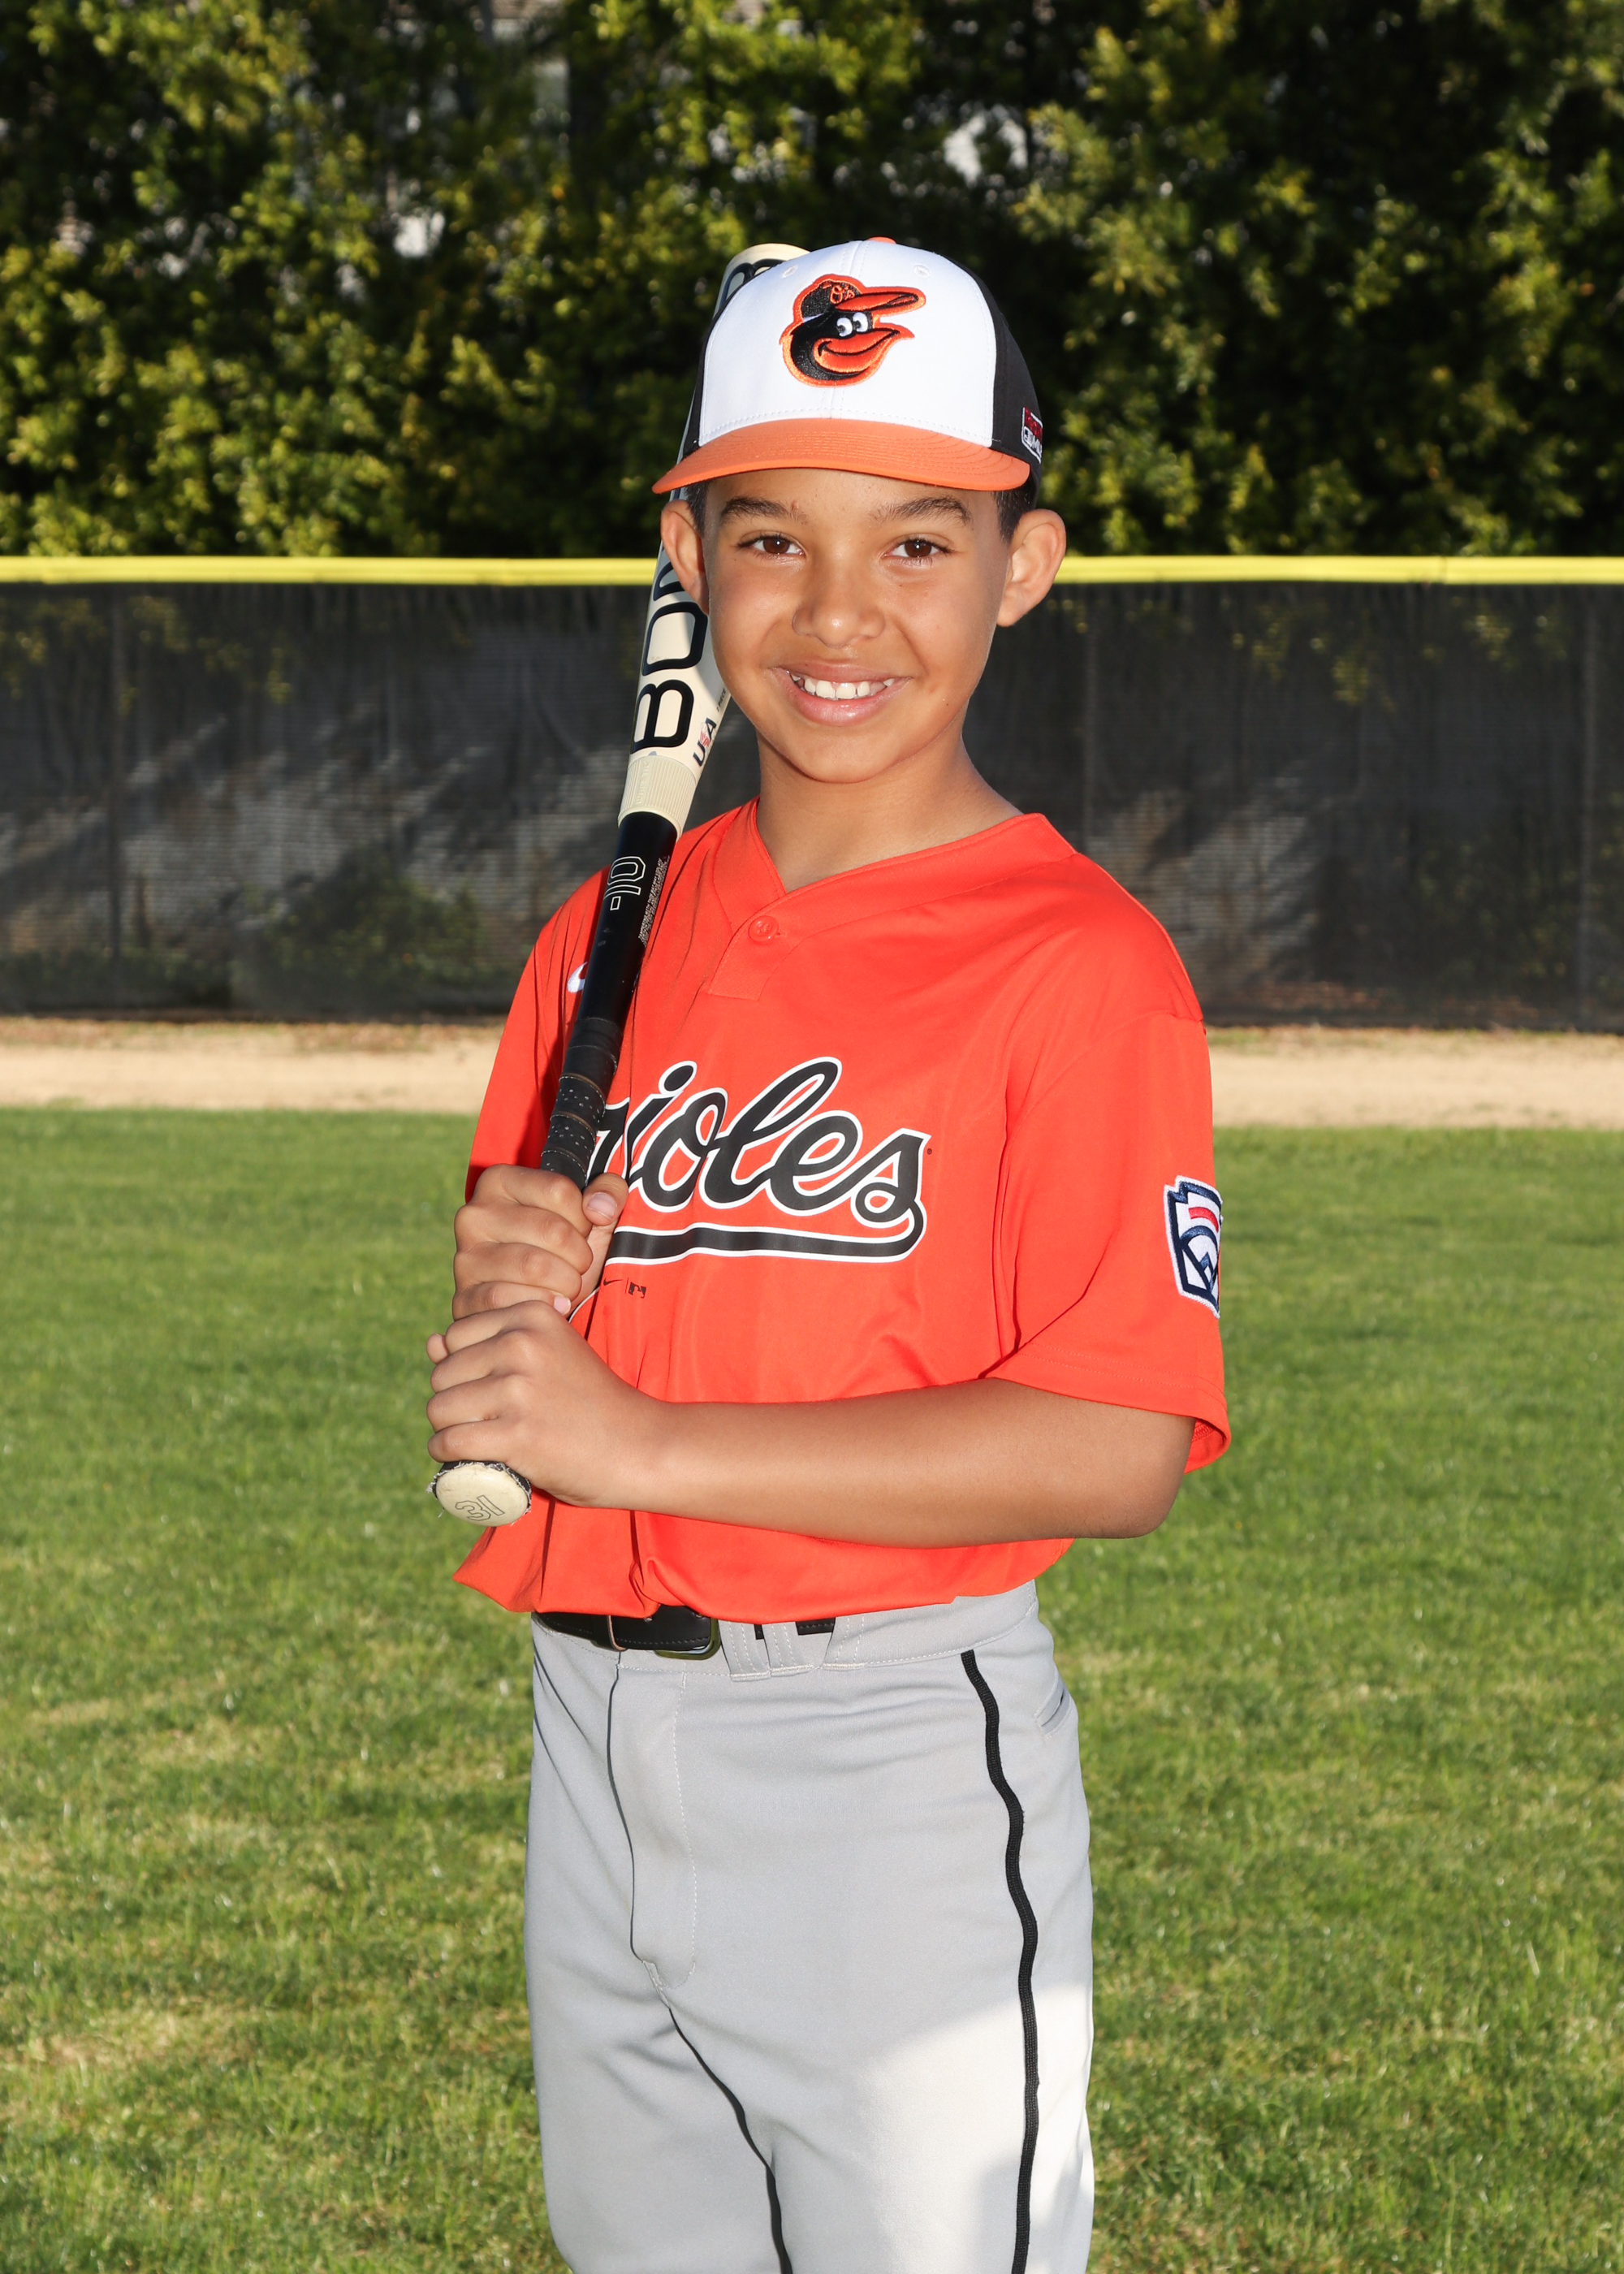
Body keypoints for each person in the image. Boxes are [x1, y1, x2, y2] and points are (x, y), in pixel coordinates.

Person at [425, 240, 1229, 2274]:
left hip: (887, 1767)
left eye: (918, 542)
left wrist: (640, 1437)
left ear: (1022, 568)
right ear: (687, 558)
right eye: (773, 535)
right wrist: (516, 1289)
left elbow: (1116, 1441)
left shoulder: (1080, 964)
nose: (839, 610)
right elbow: (545, 1361)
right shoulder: (603, 936)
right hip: (592, 1734)